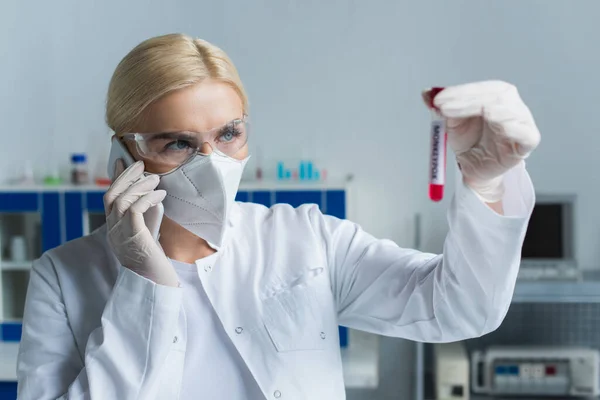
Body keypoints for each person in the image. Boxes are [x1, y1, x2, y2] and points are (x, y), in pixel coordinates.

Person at [17, 33, 540, 400]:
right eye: (177, 143)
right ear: (123, 157)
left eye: (228, 134)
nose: (211, 162)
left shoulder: (306, 238)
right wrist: (143, 281)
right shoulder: (63, 279)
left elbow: (461, 310)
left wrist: (487, 183)